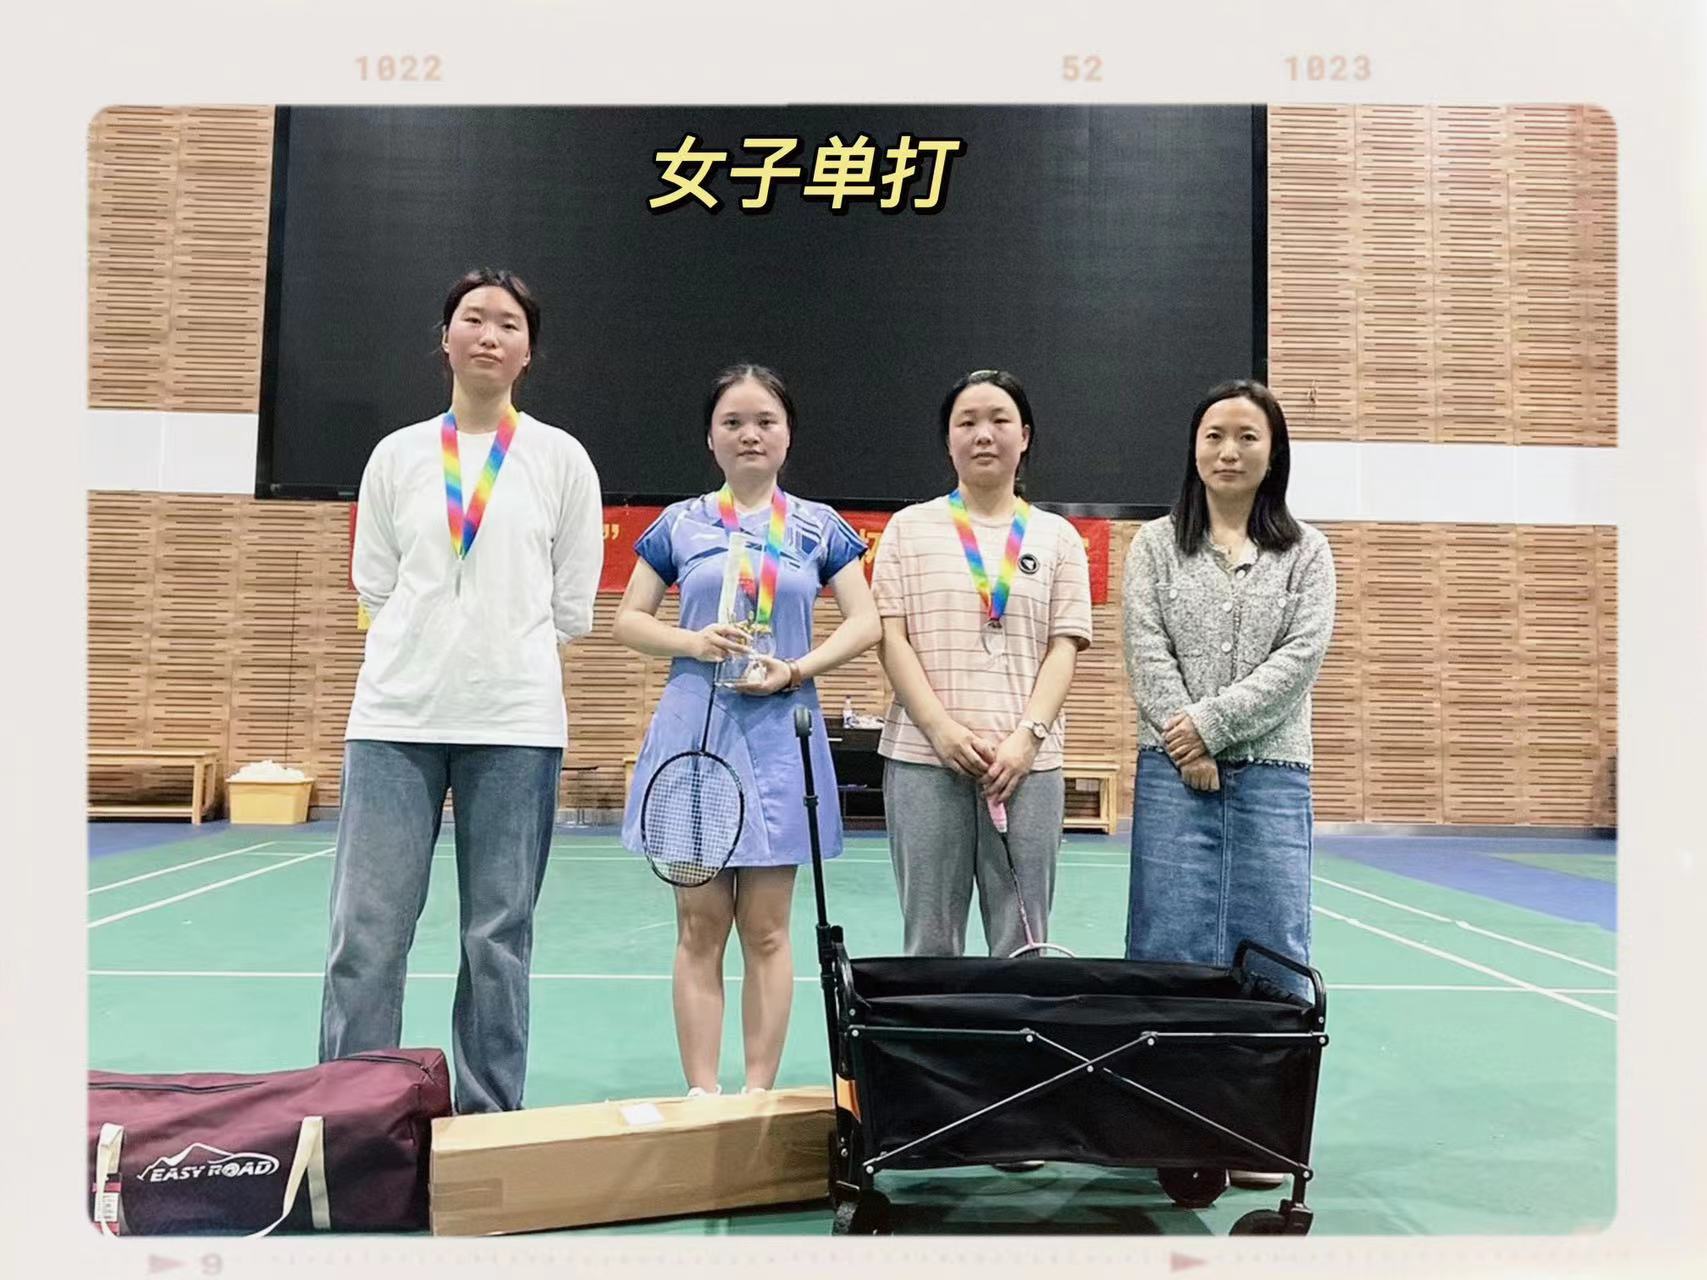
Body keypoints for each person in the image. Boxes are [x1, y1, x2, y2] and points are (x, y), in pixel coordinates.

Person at [319, 268, 605, 1114]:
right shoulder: (397, 455)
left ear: (528, 352)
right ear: (444, 340)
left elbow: (572, 604)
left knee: (497, 939)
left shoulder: (561, 459)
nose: (489, 334)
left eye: (508, 324)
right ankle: (353, 1117)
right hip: (394, 721)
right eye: (473, 319)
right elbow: (374, 583)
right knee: (367, 933)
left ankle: (487, 1122)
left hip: (515, 725)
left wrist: (494, 649)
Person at [613, 364, 880, 1097]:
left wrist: (796, 669)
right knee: (700, 927)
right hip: (693, 741)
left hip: (779, 740)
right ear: (711, 438)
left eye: (765, 420)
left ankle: (757, 1095)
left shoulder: (818, 526)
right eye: (732, 422)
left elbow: (866, 623)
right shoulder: (680, 523)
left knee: (767, 929)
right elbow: (628, 620)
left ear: (787, 435)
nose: (749, 434)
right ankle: (703, 1095)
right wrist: (692, 642)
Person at [1122, 376, 1335, 1004]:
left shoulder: (1307, 552)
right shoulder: (1154, 545)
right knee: (1166, 938)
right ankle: (1165, 1058)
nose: (1229, 451)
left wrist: (1209, 728)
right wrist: (1187, 745)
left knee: (1273, 939)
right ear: (1195, 449)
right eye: (1214, 436)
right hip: (1172, 772)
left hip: (1273, 775)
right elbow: (1145, 650)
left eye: (1247, 437)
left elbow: (1299, 658)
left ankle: (1268, 1061)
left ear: (1274, 453)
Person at [872, 368, 1092, 959]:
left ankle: (1016, 1030)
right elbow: (891, 638)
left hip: (1026, 768)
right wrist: (940, 730)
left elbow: (1064, 647)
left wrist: (1027, 738)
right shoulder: (907, 530)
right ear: (949, 441)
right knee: (929, 945)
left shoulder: (1058, 538)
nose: (983, 434)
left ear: (1025, 435)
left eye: (999, 420)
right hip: (924, 762)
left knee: (1024, 942)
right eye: (966, 422)